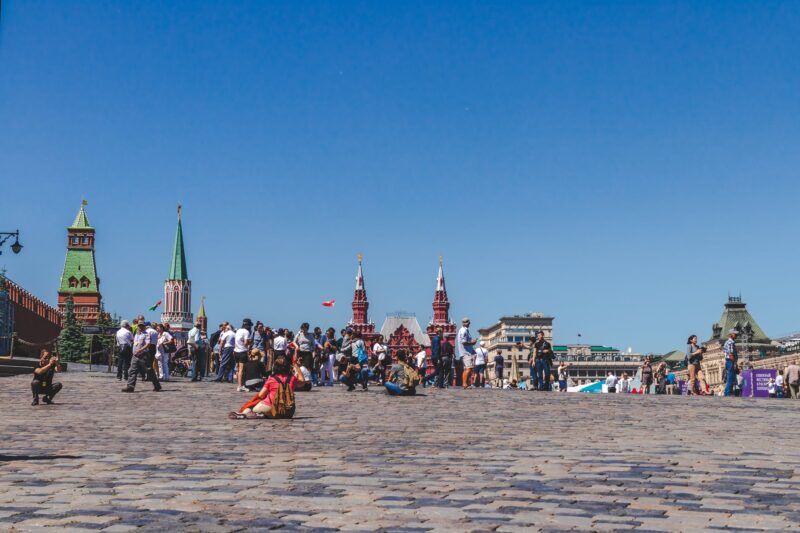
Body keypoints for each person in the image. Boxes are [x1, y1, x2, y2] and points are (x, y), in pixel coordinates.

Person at [230, 355, 306, 419]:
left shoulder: (272, 379)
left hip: (271, 407)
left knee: (252, 407)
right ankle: (262, 414)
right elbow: (302, 382)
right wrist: (296, 366)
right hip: (288, 412)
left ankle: (245, 414)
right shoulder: (292, 379)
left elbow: (261, 395)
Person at [123, 322, 161, 392]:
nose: (140, 328)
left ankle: (157, 385)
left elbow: (148, 344)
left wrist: (140, 350)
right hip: (135, 355)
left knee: (149, 370)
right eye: (139, 326)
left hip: (143, 355)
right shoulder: (136, 334)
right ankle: (130, 386)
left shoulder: (146, 334)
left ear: (144, 327)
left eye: (142, 326)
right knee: (132, 370)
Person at [456, 318, 477, 388]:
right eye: (469, 322)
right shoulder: (463, 331)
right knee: (469, 368)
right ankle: (464, 383)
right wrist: (472, 343)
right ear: (467, 323)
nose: (470, 324)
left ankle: (465, 383)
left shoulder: (464, 330)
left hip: (466, 352)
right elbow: (464, 342)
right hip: (466, 353)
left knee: (466, 368)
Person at [234, 319, 253, 392]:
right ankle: (240, 385)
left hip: (236, 351)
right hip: (242, 351)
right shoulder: (246, 332)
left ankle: (239, 385)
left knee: (238, 369)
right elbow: (245, 343)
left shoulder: (238, 330)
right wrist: (250, 342)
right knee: (242, 370)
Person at [723, 329, 738, 397]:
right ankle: (728, 393)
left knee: (730, 376)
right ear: (731, 334)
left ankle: (726, 392)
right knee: (730, 377)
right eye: (735, 334)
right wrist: (734, 363)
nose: (736, 335)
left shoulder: (728, 342)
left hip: (728, 361)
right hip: (730, 361)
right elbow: (730, 354)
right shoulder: (730, 342)